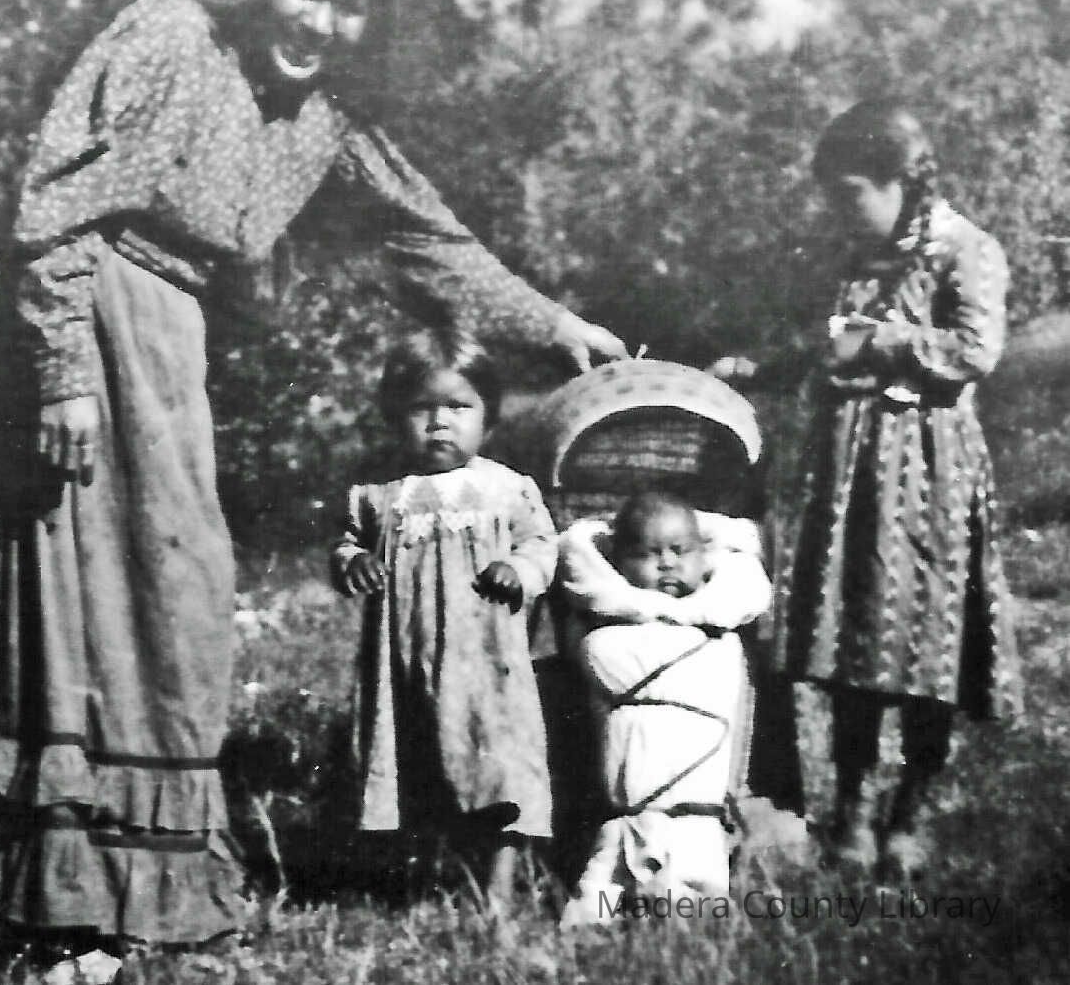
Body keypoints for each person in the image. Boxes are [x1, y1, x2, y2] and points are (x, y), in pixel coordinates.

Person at [0, 0, 624, 984]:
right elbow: (52, 205)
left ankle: (90, 892)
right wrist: (61, 376)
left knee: (169, 596)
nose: (320, 22)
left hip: (157, 334)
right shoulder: (168, 34)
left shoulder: (326, 114)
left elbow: (426, 239)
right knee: (15, 594)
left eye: (349, 5)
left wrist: (556, 326)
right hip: (37, 325)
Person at [724, 100, 1024, 879]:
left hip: (929, 475)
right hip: (854, 480)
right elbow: (824, 342)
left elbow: (974, 349)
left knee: (932, 649)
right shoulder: (853, 259)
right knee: (857, 641)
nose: (839, 211)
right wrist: (758, 366)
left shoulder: (965, 250)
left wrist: (884, 341)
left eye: (850, 193)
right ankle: (853, 811)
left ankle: (908, 813)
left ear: (901, 179)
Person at [330, 329, 558, 909]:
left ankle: (498, 889)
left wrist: (518, 569)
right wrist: (353, 561)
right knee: (414, 758)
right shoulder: (379, 494)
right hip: (404, 663)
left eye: (458, 407)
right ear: (393, 417)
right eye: (420, 408)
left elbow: (541, 545)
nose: (438, 423)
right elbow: (347, 542)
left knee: (500, 761)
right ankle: (422, 880)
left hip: (487, 665)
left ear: (489, 418)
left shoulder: (506, 488)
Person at [554, 492, 771, 924]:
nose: (667, 563)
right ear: (617, 561)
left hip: (697, 812)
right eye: (646, 553)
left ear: (705, 555)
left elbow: (744, 548)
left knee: (696, 903)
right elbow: (578, 546)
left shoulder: (722, 622)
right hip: (626, 812)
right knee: (597, 903)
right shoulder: (608, 633)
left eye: (680, 550)